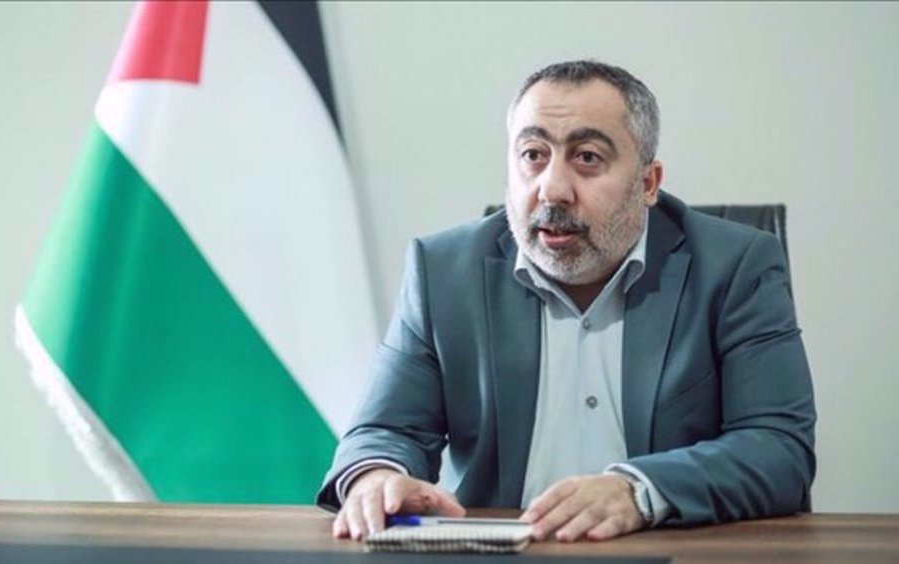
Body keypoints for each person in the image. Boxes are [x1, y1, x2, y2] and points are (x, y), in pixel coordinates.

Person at [316, 60, 816, 543]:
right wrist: (376, 477)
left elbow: (778, 449)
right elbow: (384, 429)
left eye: (588, 158)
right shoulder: (443, 270)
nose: (552, 189)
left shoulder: (735, 265)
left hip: (673, 551)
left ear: (648, 183)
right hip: (503, 551)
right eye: (533, 155)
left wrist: (638, 491)